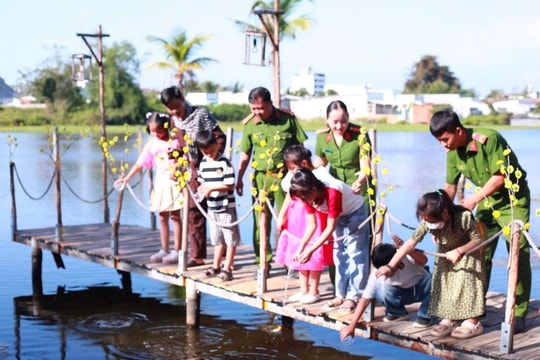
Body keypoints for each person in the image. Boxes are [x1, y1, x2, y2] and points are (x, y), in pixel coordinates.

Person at [429, 108, 531, 333]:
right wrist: (443, 217)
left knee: (517, 252)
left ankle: (520, 311)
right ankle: (473, 308)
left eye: (445, 139)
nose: (443, 145)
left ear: (458, 130)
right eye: (439, 141)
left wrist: (474, 198)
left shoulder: (489, 139)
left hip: (513, 200)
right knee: (478, 252)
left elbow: (501, 175)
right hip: (488, 203)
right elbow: (450, 187)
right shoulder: (453, 151)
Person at [377, 190, 486, 339]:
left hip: (468, 253)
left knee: (466, 283)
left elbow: (478, 239)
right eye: (427, 221)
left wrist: (460, 251)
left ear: (445, 213)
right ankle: (449, 318)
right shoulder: (427, 221)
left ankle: (472, 321)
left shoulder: (464, 217)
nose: (429, 224)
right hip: (445, 254)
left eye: (433, 222)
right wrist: (390, 266)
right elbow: (410, 243)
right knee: (445, 284)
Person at [236, 86, 308, 273]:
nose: (257, 112)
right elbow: (245, 153)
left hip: (287, 180)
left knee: (289, 221)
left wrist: (306, 176)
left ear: (270, 103)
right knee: (261, 223)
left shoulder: (288, 120)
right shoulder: (250, 124)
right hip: (261, 179)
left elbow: (301, 149)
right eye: (253, 109)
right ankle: (263, 263)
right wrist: (239, 178)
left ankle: (290, 262)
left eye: (260, 108)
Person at [161, 86, 227, 267]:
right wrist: (175, 160)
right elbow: (176, 146)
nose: (175, 111)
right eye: (170, 108)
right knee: (193, 212)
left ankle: (224, 257)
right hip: (191, 172)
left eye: (176, 105)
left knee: (218, 211)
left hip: (212, 168)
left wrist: (212, 159)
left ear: (183, 98)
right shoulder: (174, 121)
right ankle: (197, 256)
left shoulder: (201, 115)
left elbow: (220, 137)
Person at [289, 168, 370, 312]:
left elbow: (330, 227)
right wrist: (301, 248)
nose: (302, 201)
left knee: (355, 254)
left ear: (313, 190)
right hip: (339, 216)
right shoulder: (306, 196)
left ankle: (354, 296)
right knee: (339, 255)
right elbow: (312, 225)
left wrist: (311, 250)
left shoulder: (332, 191)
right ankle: (340, 295)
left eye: (303, 198)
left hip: (354, 213)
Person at [313, 100, 375, 286]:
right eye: (335, 122)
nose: (339, 126)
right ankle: (338, 287)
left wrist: (360, 181)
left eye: (344, 121)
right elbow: (321, 161)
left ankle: (362, 289)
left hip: (358, 191)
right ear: (327, 121)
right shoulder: (323, 137)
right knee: (335, 238)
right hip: (334, 191)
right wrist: (303, 170)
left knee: (360, 241)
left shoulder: (360, 135)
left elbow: (366, 166)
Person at [115, 112, 183, 264]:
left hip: (174, 180)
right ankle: (164, 248)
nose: (156, 134)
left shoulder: (175, 141)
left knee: (176, 216)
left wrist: (176, 167)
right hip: (161, 181)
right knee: (162, 216)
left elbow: (184, 158)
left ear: (165, 127)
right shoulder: (152, 144)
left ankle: (177, 250)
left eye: (158, 131)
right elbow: (140, 163)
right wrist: (127, 178)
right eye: (152, 131)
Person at [340, 241, 432, 341]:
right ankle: (397, 313)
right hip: (401, 295)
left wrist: (407, 249)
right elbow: (365, 299)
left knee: (434, 278)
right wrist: (352, 325)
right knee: (381, 290)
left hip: (420, 289)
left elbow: (424, 260)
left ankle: (424, 316)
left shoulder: (405, 257)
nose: (385, 274)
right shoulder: (377, 273)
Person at [276, 145, 334, 304]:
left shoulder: (316, 176)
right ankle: (303, 289)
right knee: (297, 251)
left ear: (303, 163)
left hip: (313, 218)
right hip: (297, 218)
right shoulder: (293, 177)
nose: (291, 171)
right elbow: (289, 195)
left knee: (314, 254)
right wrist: (282, 215)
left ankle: (314, 290)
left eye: (293, 168)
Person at [193, 130, 240, 282]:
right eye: (206, 153)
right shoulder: (204, 163)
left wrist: (212, 188)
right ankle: (216, 265)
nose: (210, 155)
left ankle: (228, 268)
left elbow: (230, 184)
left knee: (230, 238)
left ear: (216, 145)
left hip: (225, 207)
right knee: (217, 238)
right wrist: (201, 189)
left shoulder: (224, 162)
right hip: (212, 207)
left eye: (212, 151)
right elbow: (202, 181)